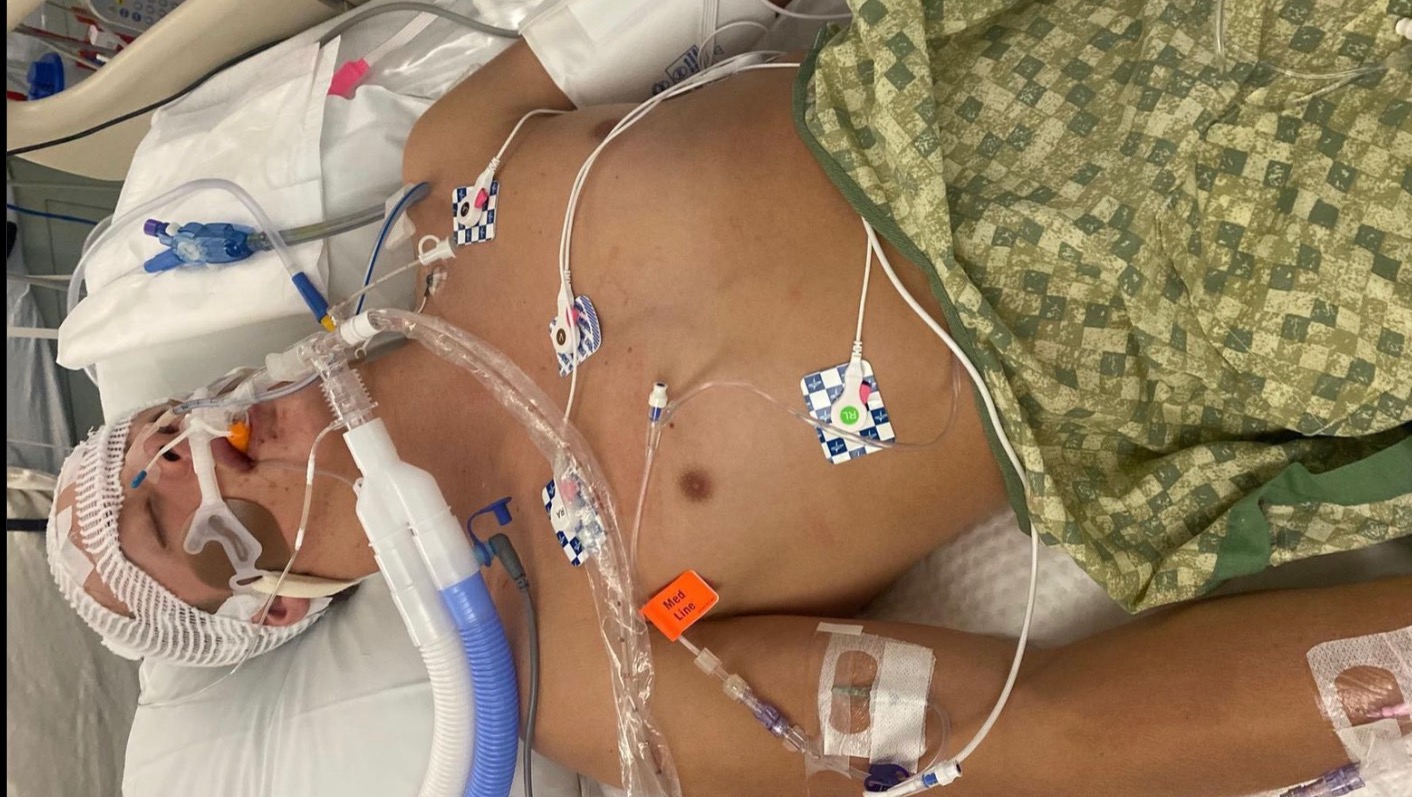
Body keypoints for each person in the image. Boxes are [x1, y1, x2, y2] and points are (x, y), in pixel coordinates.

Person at [47, 0, 1410, 794]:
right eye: (170, 521)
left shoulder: (455, 171)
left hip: (1059, 50)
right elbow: (1039, 735)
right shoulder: (594, 670)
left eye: (149, 441)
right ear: (275, 604)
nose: (183, 457)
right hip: (1196, 317)